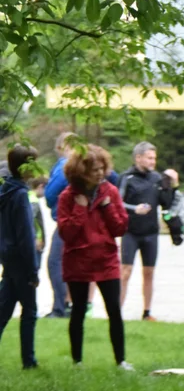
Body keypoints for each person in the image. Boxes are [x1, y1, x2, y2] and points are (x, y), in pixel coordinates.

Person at [56, 145, 132, 370]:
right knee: (78, 310)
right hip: (77, 260)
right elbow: (66, 233)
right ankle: (77, 361)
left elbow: (120, 228)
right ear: (80, 171)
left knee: (114, 311)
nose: (100, 173)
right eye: (94, 170)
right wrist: (80, 209)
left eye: (102, 168)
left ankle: (121, 361)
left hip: (105, 260)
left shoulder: (111, 192)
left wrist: (107, 208)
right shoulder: (67, 197)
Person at [43, 133, 120, 318]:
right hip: (94, 225)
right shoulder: (97, 167)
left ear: (62, 147)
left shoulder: (64, 166)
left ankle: (62, 307)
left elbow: (49, 194)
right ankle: (79, 305)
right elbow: (113, 176)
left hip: (71, 222)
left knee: (56, 262)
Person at [118, 141, 176, 321]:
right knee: (125, 271)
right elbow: (117, 203)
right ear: (138, 158)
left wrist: (173, 185)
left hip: (150, 232)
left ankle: (147, 312)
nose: (153, 161)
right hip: (130, 232)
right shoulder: (126, 178)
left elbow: (167, 203)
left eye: (154, 158)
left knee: (149, 272)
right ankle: (116, 312)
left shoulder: (156, 178)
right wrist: (134, 208)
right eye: (149, 158)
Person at [0, 145, 43, 369]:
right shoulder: (20, 196)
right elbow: (26, 236)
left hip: (7, 257)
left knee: (4, 309)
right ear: (26, 167)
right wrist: (33, 270)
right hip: (21, 261)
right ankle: (29, 361)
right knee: (30, 311)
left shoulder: (4, 191)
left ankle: (29, 360)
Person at [29, 177, 47, 270]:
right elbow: (29, 220)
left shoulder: (28, 196)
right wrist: (36, 238)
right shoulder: (33, 200)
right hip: (35, 244)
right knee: (33, 272)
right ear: (41, 187)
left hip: (31, 243)